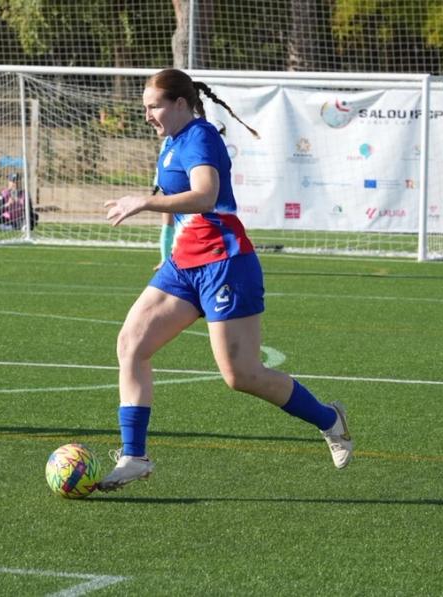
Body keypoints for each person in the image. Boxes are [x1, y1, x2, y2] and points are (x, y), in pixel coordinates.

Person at [99, 69, 352, 491]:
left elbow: (205, 195)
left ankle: (330, 419)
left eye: (154, 106)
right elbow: (176, 210)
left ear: (181, 103)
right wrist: (166, 255)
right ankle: (134, 457)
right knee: (131, 344)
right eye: (144, 107)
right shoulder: (170, 141)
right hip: (183, 266)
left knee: (241, 375)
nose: (147, 115)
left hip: (225, 262)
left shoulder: (200, 136)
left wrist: (143, 201)